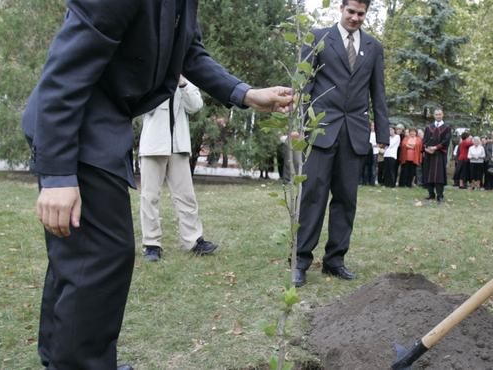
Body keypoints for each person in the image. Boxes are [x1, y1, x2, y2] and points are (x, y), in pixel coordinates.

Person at [21, 1, 293, 368]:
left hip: (100, 126)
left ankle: (64, 358)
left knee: (82, 258)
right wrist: (56, 175)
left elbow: (189, 52)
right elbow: (65, 69)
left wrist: (244, 93)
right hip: (75, 127)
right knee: (101, 258)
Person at [294, 0, 390, 287]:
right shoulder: (318, 37)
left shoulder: (373, 47)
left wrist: (382, 134)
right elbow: (304, 85)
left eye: (361, 14)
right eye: (351, 12)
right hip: (322, 129)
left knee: (346, 199)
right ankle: (300, 260)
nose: (355, 18)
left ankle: (335, 260)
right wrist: (300, 126)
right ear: (341, 8)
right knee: (314, 195)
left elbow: (378, 92)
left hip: (355, 133)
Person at [139, 76, 218, 262]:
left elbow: (195, 105)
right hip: (153, 145)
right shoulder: (151, 75)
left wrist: (181, 82)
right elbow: (144, 106)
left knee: (186, 195)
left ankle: (193, 240)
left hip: (179, 145)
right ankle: (151, 244)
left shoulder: (185, 79)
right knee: (149, 196)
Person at [422, 109, 452, 203]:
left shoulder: (447, 128)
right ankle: (431, 193)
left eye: (439, 114)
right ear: (434, 115)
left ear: (443, 115)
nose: (438, 116)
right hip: (429, 155)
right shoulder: (429, 127)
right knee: (429, 174)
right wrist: (426, 148)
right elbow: (424, 140)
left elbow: (446, 141)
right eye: (436, 114)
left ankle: (440, 195)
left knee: (439, 175)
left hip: (439, 154)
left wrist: (436, 147)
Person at [361, 121, 379, 186]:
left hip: (375, 152)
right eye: (372, 125)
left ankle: (372, 182)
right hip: (368, 152)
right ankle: (365, 181)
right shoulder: (368, 133)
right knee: (366, 167)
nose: (373, 127)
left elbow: (378, 144)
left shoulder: (377, 134)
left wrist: (372, 145)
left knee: (373, 167)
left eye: (374, 126)